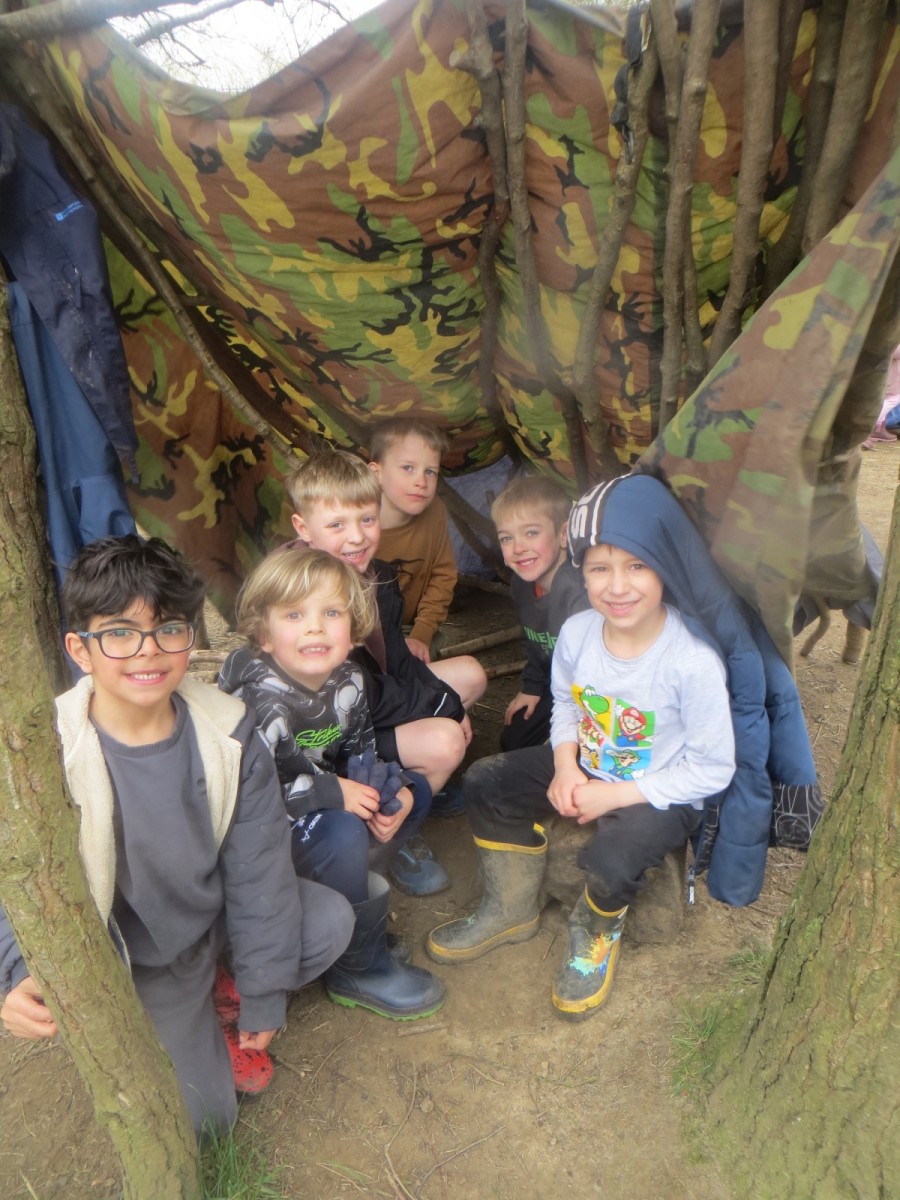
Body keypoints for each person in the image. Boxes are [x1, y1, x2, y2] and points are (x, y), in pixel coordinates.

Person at [0, 535, 353, 1136]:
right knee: (206, 1121)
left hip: (216, 924)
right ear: (80, 649)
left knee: (328, 920)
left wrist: (264, 992)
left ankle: (228, 997)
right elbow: (15, 877)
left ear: (191, 636)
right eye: (119, 632)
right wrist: (15, 970)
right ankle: (175, 1021)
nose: (147, 650)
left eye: (168, 629)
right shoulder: (46, 752)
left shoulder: (228, 732)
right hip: (138, 962)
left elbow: (260, 870)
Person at [218, 546, 445, 1020]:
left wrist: (391, 791)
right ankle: (357, 968)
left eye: (331, 613)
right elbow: (243, 803)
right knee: (341, 830)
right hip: (263, 841)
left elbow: (361, 755)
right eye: (294, 614)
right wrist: (330, 793)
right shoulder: (255, 704)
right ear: (264, 634)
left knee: (413, 793)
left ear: (354, 625)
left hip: (317, 810)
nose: (315, 627)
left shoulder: (349, 681)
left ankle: (358, 918)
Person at [285, 451, 485, 883]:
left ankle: (416, 784)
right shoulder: (304, 598)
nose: (356, 537)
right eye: (337, 525)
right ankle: (391, 834)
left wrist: (443, 700)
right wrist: (443, 709)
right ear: (303, 528)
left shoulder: (374, 577)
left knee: (469, 675)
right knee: (446, 740)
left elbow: (397, 661)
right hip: (328, 739)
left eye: (367, 520)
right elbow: (361, 693)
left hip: (369, 706)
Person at [490, 475, 589, 752]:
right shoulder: (521, 584)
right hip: (556, 685)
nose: (518, 548)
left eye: (531, 533)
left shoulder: (580, 591)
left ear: (563, 535)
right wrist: (532, 686)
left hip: (594, 695)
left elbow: (595, 672)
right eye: (507, 538)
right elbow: (533, 641)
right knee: (513, 741)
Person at [368, 417, 458, 665]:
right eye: (408, 468)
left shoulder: (435, 511)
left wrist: (422, 634)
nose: (421, 482)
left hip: (409, 629)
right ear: (376, 473)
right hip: (357, 632)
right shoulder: (352, 520)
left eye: (430, 471)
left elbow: (442, 576)